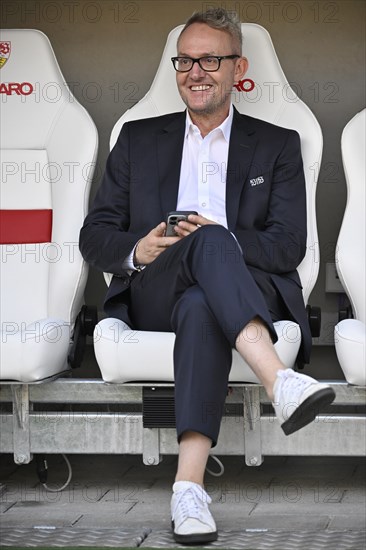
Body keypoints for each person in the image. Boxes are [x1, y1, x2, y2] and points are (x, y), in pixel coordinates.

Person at [80, 8, 335, 545]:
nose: (195, 72)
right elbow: (94, 237)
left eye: (210, 59)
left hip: (241, 288)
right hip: (153, 287)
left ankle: (187, 490)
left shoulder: (277, 144)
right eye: (185, 60)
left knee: (204, 292)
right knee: (205, 246)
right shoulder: (137, 138)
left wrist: (216, 239)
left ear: (237, 66)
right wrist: (139, 247)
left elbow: (288, 246)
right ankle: (280, 382)